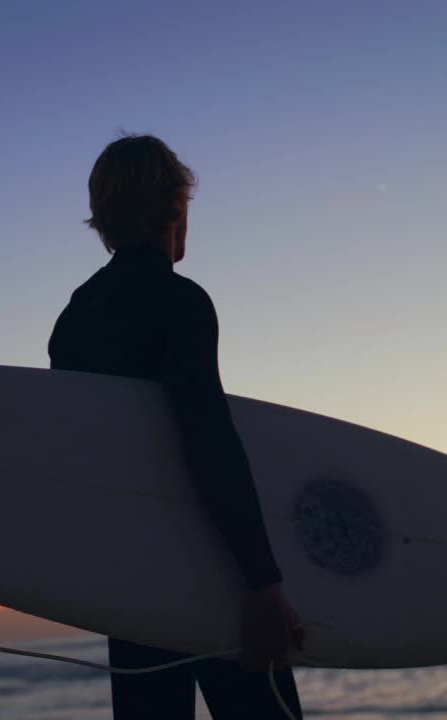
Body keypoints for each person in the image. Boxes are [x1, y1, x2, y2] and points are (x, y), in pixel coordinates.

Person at [47, 133, 305, 719]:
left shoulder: (73, 320)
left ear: (104, 221)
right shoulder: (179, 301)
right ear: (176, 209)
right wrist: (261, 582)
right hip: (207, 574)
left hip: (128, 581)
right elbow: (207, 438)